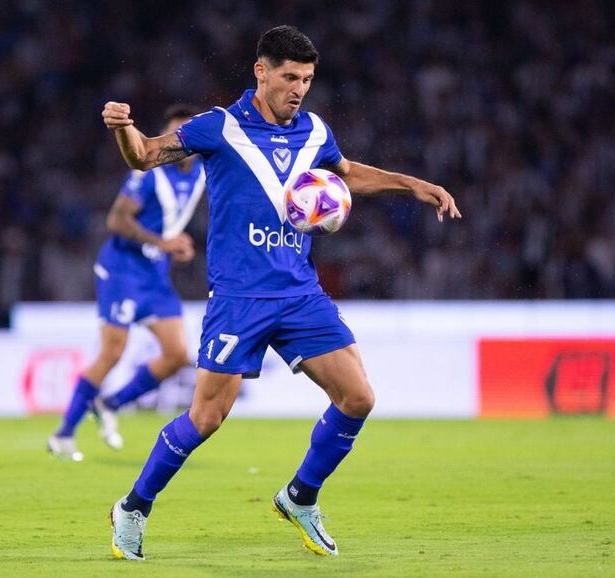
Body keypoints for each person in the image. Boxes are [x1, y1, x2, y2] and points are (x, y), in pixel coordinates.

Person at [101, 25, 461, 560]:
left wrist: (412, 184)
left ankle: (300, 497)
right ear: (261, 72)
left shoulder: (314, 131)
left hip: (299, 293)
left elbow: (348, 173)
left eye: (308, 79)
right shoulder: (217, 127)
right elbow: (145, 155)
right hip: (239, 298)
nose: (299, 88)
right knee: (206, 418)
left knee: (358, 397)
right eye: (290, 77)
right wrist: (123, 129)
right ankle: (133, 506)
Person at [47, 105, 206, 462]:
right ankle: (63, 434)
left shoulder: (200, 173)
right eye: (174, 133)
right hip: (122, 269)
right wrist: (164, 242)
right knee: (113, 351)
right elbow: (116, 220)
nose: (180, 141)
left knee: (177, 354)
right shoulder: (150, 173)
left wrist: (175, 243)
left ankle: (109, 404)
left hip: (154, 275)